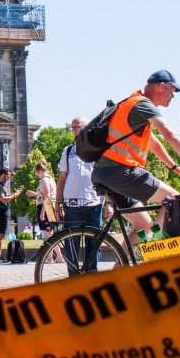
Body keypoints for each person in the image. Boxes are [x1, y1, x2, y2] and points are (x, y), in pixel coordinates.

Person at [90, 70, 180, 248]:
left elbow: (154, 144)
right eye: (172, 90)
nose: (173, 96)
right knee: (174, 200)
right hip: (120, 171)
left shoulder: (133, 104)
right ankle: (158, 250)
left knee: (144, 226)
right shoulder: (143, 105)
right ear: (161, 87)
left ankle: (120, 270)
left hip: (105, 173)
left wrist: (175, 168)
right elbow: (170, 135)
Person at [56, 118, 105, 275]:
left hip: (94, 203)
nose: (75, 129)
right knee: (71, 245)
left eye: (79, 126)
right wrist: (58, 203)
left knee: (93, 245)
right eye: (73, 127)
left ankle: (91, 277)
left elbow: (105, 177)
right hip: (72, 204)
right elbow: (62, 178)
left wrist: (109, 202)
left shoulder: (98, 149)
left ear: (87, 128)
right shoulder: (68, 150)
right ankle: (73, 277)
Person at [0, 168, 23, 264]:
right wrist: (15, 195)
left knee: (1, 234)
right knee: (0, 235)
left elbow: (5, 196)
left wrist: (15, 193)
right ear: (2, 175)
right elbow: (3, 199)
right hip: (1, 212)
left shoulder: (1, 186)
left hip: (3, 212)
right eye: (8, 176)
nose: (9, 178)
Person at [25, 161, 57, 234]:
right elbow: (45, 194)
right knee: (50, 232)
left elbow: (47, 196)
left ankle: (51, 245)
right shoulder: (50, 179)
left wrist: (42, 212)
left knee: (48, 233)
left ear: (39, 171)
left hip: (47, 207)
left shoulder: (44, 180)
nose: (36, 175)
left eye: (36, 172)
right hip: (51, 206)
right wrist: (34, 194)